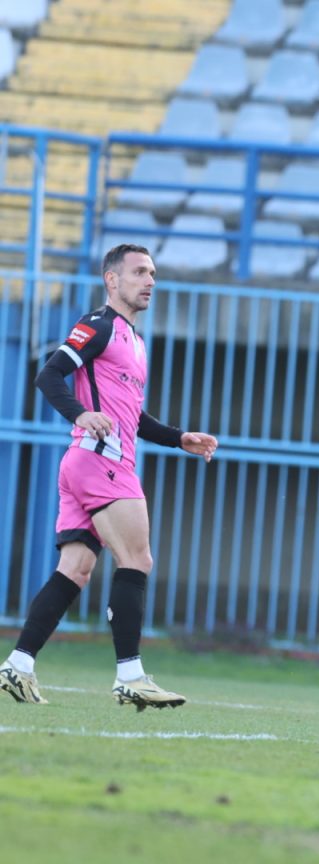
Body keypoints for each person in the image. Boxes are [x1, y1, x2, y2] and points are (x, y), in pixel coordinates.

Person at [0, 244, 219, 709]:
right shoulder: (98, 325)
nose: (150, 280)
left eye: (153, 273)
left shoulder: (134, 341)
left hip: (87, 462)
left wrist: (178, 437)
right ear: (112, 280)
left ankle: (18, 665)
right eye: (139, 272)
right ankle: (131, 676)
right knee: (137, 559)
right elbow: (49, 375)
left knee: (75, 571)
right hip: (102, 461)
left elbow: (131, 416)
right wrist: (80, 414)